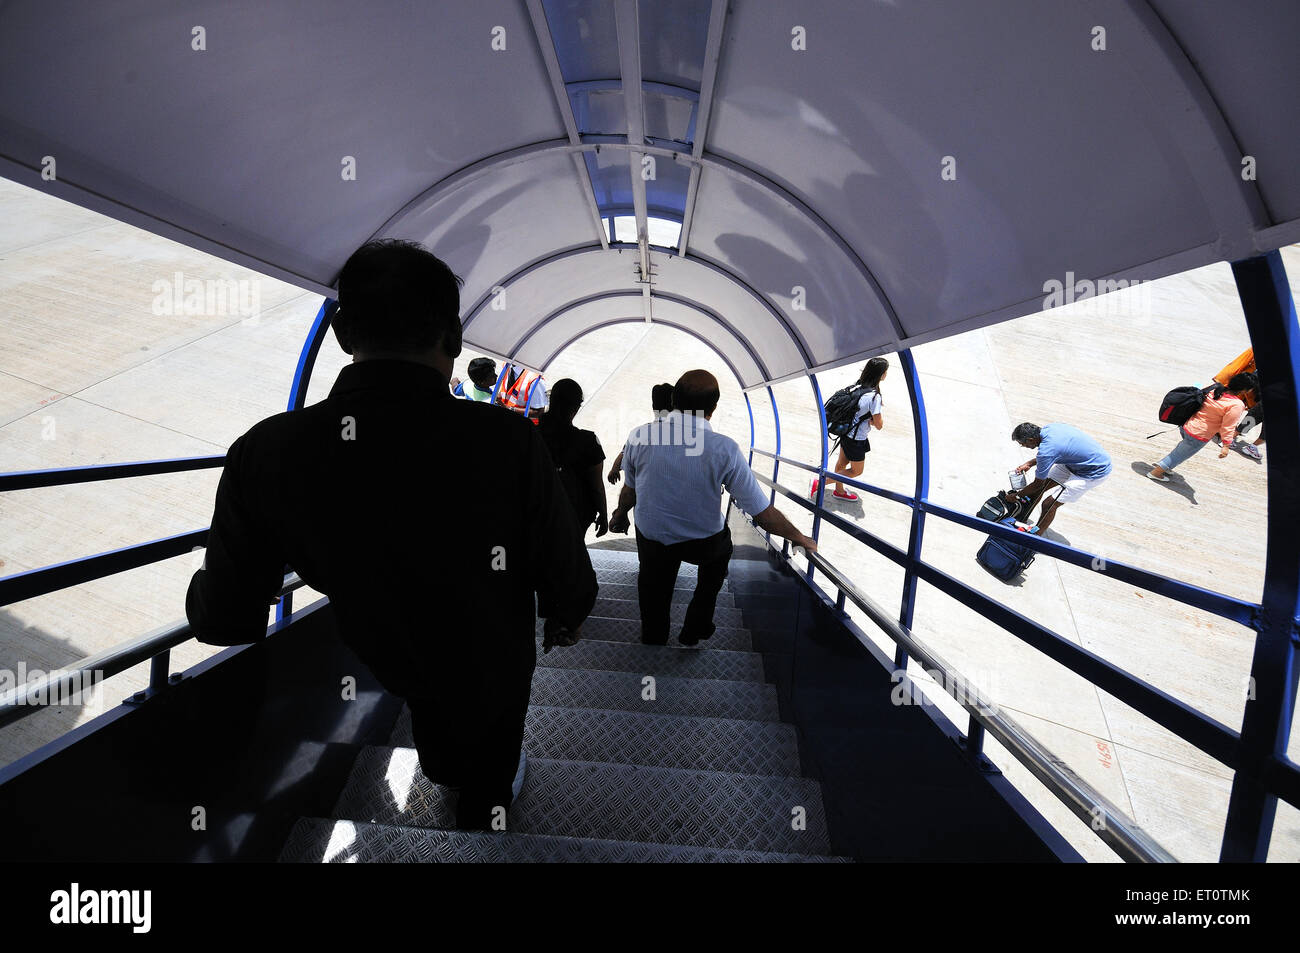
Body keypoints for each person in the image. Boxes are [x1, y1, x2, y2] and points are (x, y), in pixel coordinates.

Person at [185, 239, 597, 830]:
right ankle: (484, 806)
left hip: (383, 646)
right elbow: (559, 558)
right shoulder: (508, 441)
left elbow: (224, 617)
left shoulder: (266, 451)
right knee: (491, 718)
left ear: (341, 333)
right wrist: (569, 609)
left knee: (427, 695)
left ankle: (448, 771)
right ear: (452, 340)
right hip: (490, 645)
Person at [608, 370, 817, 646]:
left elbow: (630, 489)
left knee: (653, 588)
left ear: (674, 398)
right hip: (703, 543)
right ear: (713, 408)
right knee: (717, 563)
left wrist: (621, 513)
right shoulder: (724, 449)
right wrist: (799, 538)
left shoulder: (639, 437)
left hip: (653, 537)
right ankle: (695, 627)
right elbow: (762, 514)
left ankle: (654, 638)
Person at [1148, 373, 1257, 482]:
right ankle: (1156, 472)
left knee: (1182, 450)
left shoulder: (1216, 389)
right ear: (1245, 390)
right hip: (1199, 434)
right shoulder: (1236, 405)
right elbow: (1228, 426)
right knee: (1180, 454)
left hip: (1187, 425)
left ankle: (1167, 466)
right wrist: (1226, 445)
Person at [1008, 421, 1112, 533]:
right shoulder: (1050, 428)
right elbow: (1053, 454)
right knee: (1038, 491)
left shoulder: (1047, 451)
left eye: (1022, 444)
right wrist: (1029, 463)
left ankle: (1034, 537)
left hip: (1093, 472)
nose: (1023, 446)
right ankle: (1021, 517)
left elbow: (1038, 483)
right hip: (1074, 463)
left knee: (1049, 504)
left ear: (1031, 440)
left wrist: (1017, 496)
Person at [812, 357, 887, 502]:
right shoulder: (874, 397)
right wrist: (872, 421)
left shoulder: (857, 386)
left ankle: (839, 491)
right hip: (857, 439)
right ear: (881, 374)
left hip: (846, 434)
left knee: (842, 464)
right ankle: (820, 483)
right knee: (856, 471)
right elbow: (879, 425)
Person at [608, 382, 673, 484]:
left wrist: (614, 469)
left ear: (653, 406)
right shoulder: (690, 435)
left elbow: (624, 453)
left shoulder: (638, 434)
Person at [1213, 348, 1264, 460]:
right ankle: (1226, 437)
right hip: (1245, 384)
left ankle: (1228, 437)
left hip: (1251, 385)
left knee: (1251, 416)